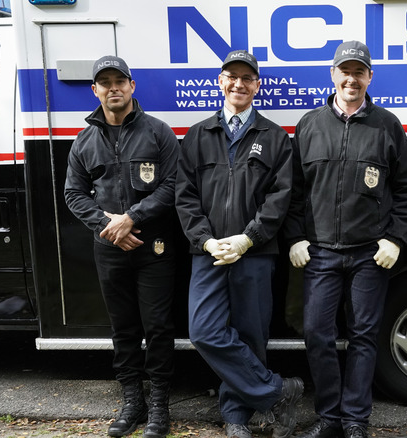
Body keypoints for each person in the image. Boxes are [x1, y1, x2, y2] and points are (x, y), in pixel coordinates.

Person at [284, 40, 407, 438]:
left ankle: (356, 420)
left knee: (364, 336)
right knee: (317, 333)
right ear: (333, 75)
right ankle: (329, 418)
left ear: (369, 77)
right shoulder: (309, 125)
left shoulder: (387, 125)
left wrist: (395, 238)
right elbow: (293, 189)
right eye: (345, 70)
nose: (351, 78)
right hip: (321, 252)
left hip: (369, 254)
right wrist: (295, 237)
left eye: (359, 71)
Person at [174, 49, 302, 438]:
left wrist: (248, 239)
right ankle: (279, 392)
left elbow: (281, 198)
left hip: (255, 252)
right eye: (232, 77)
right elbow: (185, 196)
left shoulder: (275, 137)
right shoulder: (198, 135)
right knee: (205, 332)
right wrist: (207, 241)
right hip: (209, 254)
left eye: (247, 78)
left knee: (250, 335)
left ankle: (236, 418)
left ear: (257, 85)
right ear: (220, 81)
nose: (239, 84)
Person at [64, 55, 179, 438]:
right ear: (95, 89)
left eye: (120, 81)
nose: (113, 87)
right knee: (123, 327)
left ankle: (160, 403)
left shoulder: (158, 132)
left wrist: (132, 217)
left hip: (154, 245)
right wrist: (109, 226)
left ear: (132, 86)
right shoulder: (84, 141)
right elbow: (74, 195)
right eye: (105, 82)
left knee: (159, 326)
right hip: (110, 246)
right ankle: (133, 402)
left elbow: (173, 185)